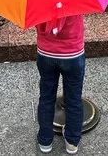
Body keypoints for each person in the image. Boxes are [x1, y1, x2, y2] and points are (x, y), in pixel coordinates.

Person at [36, 12, 85, 154]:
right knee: (74, 99)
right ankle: (72, 142)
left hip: (46, 53)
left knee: (46, 97)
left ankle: (45, 141)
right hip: (73, 52)